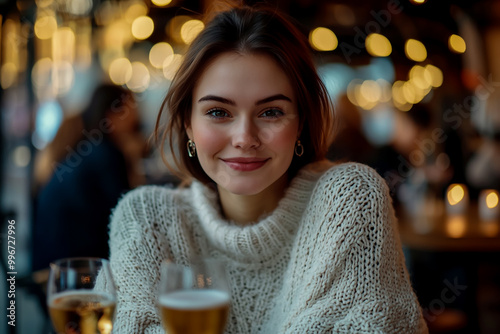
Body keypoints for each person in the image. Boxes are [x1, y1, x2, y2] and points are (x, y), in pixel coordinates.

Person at [108, 5, 428, 333]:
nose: (245, 138)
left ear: (301, 124)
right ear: (187, 124)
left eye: (271, 112)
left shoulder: (350, 200)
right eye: (218, 112)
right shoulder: (145, 221)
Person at [32, 83, 145, 271]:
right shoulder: (106, 154)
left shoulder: (86, 146)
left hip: (49, 263)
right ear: (112, 114)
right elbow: (127, 217)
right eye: (131, 108)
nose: (136, 116)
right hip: (74, 272)